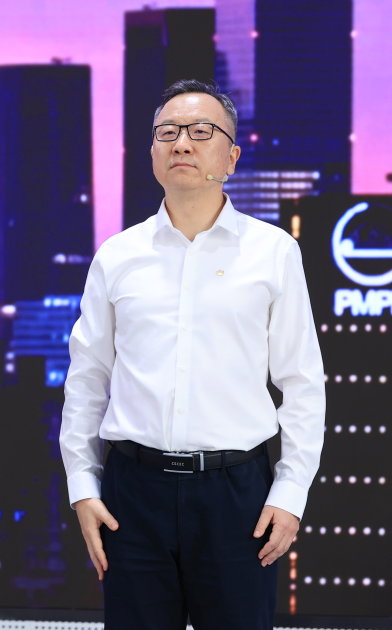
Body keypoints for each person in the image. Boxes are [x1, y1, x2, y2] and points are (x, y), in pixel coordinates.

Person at [60, 79, 325, 628]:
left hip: (237, 497)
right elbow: (87, 380)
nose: (182, 143)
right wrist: (82, 487)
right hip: (133, 494)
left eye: (201, 132)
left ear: (231, 157)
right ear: (152, 153)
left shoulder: (273, 252)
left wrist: (291, 491)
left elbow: (302, 383)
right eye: (168, 132)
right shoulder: (117, 255)